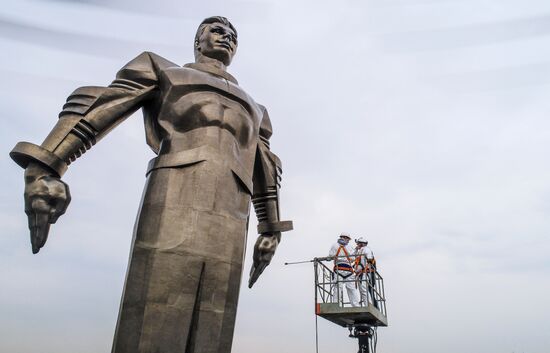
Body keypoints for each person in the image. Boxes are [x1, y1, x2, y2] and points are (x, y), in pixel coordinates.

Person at [9, 16, 292, 353]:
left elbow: (265, 165)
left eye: (233, 35)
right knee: (154, 315)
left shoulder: (257, 109)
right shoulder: (165, 70)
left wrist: (270, 227)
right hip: (175, 187)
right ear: (198, 41)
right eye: (216, 30)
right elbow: (102, 104)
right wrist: (47, 165)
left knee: (215, 323)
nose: (227, 37)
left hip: (234, 207)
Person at [328, 232, 359, 307]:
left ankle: (336, 305)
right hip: (348, 269)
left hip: (338, 269)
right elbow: (352, 259)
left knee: (338, 288)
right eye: (348, 239)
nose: (348, 241)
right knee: (351, 289)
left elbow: (331, 256)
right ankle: (355, 306)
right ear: (345, 238)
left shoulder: (334, 245)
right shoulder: (350, 247)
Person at [354, 237, 377, 308]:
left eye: (358, 243)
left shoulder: (366, 249)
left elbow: (369, 258)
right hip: (362, 273)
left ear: (361, 244)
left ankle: (370, 306)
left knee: (364, 289)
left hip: (367, 273)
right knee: (364, 290)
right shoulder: (359, 251)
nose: (357, 244)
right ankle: (368, 305)